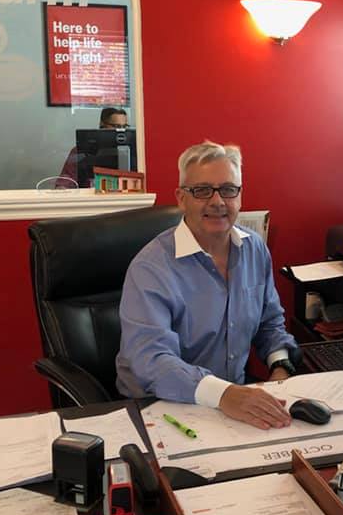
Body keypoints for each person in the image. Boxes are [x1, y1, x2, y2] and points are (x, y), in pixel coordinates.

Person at [116, 140, 297, 430]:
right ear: (181, 198)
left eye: (228, 189)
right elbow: (152, 359)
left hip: (234, 402)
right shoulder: (150, 267)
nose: (217, 201)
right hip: (161, 406)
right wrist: (223, 394)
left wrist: (280, 367)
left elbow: (270, 323)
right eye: (202, 190)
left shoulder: (255, 250)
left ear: (239, 196)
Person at [56, 107, 128, 188]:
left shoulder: (132, 151)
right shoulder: (81, 151)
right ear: (102, 125)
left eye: (124, 127)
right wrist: (62, 188)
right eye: (117, 126)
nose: (121, 131)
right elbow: (66, 179)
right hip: (89, 195)